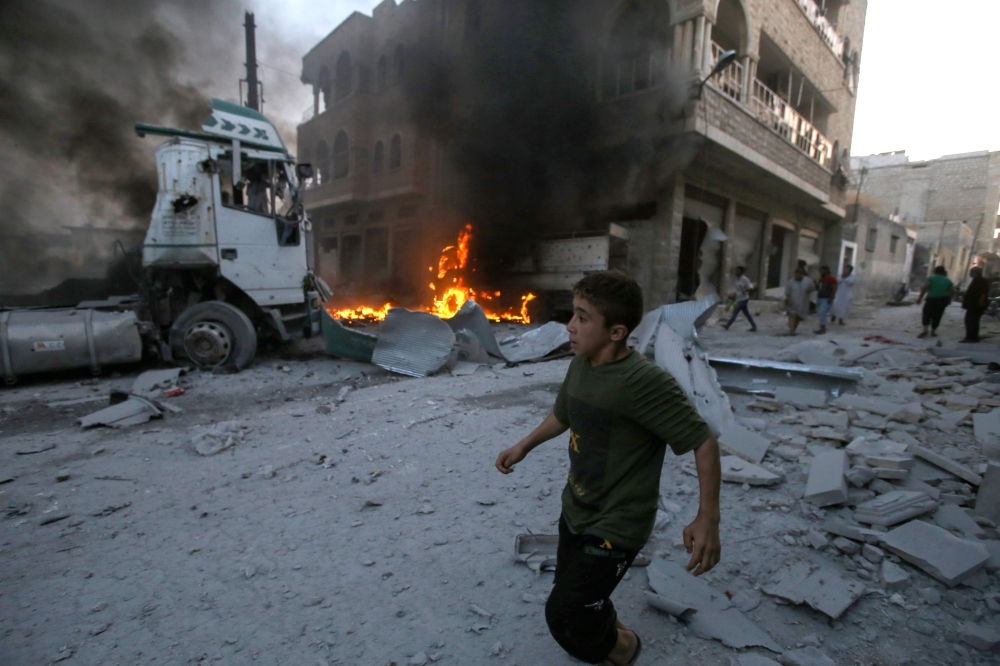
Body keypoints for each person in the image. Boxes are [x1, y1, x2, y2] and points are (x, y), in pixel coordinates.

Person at [495, 271, 721, 666]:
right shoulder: (582, 364)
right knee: (577, 597)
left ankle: (624, 650)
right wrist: (523, 446)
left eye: (583, 317)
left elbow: (703, 439)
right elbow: (564, 414)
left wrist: (707, 518)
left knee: (562, 614)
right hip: (577, 509)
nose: (570, 325)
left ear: (616, 332)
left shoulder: (644, 382)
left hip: (619, 524)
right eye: (573, 314)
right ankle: (608, 625)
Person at [916, 266, 954, 338]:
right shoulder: (948, 280)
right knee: (938, 315)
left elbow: (925, 287)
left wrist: (920, 298)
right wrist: (949, 299)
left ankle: (925, 330)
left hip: (931, 299)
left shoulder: (931, 278)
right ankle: (933, 331)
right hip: (942, 300)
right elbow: (952, 291)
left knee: (927, 314)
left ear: (935, 271)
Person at [722, 266, 757, 332]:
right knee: (747, 314)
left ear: (741, 272)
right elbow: (737, 289)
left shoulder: (745, 279)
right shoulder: (737, 279)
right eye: (736, 270)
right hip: (738, 298)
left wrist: (745, 290)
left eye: (738, 271)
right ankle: (754, 326)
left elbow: (751, 288)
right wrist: (733, 295)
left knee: (735, 311)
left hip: (744, 299)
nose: (736, 272)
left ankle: (728, 325)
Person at [784, 266, 816, 335]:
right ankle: (791, 330)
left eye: (799, 275)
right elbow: (787, 292)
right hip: (793, 302)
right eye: (796, 275)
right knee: (792, 315)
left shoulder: (808, 280)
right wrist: (789, 300)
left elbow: (813, 287)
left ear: (802, 275)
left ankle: (793, 329)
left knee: (798, 317)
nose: (797, 276)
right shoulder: (791, 282)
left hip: (803, 303)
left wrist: (809, 290)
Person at [961, 266, 990, 343]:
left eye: (971, 272)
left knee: (971, 321)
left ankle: (970, 337)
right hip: (974, 304)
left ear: (975, 273)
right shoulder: (976, 280)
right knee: (972, 321)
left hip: (976, 305)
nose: (970, 274)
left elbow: (984, 292)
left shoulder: (981, 280)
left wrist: (981, 301)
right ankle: (972, 337)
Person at [814, 265, 838, 334]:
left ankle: (823, 328)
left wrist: (831, 297)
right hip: (820, 298)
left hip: (826, 298)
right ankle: (821, 327)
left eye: (822, 271)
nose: (820, 272)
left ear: (826, 271)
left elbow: (834, 288)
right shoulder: (821, 279)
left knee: (822, 313)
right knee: (820, 313)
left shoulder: (831, 278)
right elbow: (818, 288)